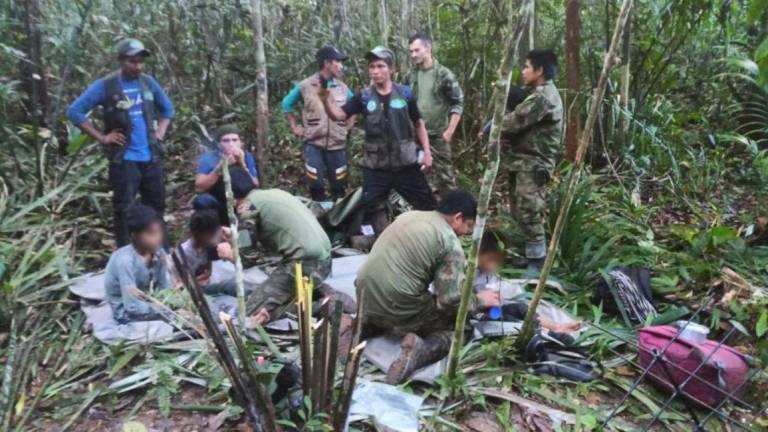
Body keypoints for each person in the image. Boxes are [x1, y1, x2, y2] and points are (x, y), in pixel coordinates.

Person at [355, 190, 501, 384]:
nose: (466, 232)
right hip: (398, 305)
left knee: (406, 297)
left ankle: (362, 325)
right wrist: (480, 300)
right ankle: (419, 352)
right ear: (457, 217)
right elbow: (449, 301)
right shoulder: (449, 242)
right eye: (468, 225)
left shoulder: (409, 216)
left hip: (364, 294)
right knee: (461, 330)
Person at [67, 38, 175, 247]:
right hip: (124, 159)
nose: (138, 66)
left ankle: (162, 253)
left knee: (156, 207)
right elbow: (74, 112)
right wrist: (101, 137)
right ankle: (127, 254)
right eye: (132, 62)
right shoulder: (106, 86)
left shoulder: (148, 83)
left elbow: (168, 110)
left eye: (141, 62)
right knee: (124, 209)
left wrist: (160, 132)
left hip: (151, 157)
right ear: (120, 60)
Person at [319, 46, 437, 234]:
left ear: (391, 69)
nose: (375, 71)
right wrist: (325, 98)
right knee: (371, 206)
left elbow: (418, 123)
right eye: (372, 67)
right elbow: (339, 115)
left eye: (380, 66)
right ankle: (383, 239)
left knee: (427, 204)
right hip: (376, 167)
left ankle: (431, 238)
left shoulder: (405, 93)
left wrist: (427, 152)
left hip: (405, 164)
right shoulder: (364, 97)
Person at [216, 170, 333, 325]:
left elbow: (248, 259)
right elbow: (271, 235)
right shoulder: (274, 194)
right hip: (325, 261)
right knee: (272, 294)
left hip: (304, 265)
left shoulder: (246, 207)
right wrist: (235, 236)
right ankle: (309, 295)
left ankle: (316, 307)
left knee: (251, 312)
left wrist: (229, 253)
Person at [501, 49, 563, 274]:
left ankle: (538, 260)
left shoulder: (543, 97)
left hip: (534, 163)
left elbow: (514, 122)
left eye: (527, 67)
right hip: (522, 161)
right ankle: (530, 254)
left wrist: (494, 124)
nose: (523, 71)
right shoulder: (535, 93)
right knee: (519, 208)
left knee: (529, 209)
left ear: (540, 71)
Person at [282, 46, 355, 201]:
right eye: (338, 62)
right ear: (327, 63)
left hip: (337, 144)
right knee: (315, 182)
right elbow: (287, 104)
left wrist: (348, 126)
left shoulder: (342, 87)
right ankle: (318, 213)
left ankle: (338, 216)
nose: (341, 66)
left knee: (339, 183)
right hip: (314, 142)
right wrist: (295, 127)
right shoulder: (306, 85)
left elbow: (354, 107)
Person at [473, 232, 581, 333]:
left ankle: (556, 327)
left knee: (521, 309)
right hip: (474, 314)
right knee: (508, 320)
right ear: (479, 253)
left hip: (491, 311)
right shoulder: (468, 273)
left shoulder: (488, 275)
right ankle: (544, 334)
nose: (493, 265)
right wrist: (479, 300)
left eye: (497, 260)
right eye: (491, 259)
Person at [407, 32, 464, 194]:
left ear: (428, 48)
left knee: (445, 179)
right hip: (415, 137)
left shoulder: (444, 74)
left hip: (438, 136)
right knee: (418, 179)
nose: (413, 55)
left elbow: (458, 102)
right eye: (411, 51)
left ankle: (452, 215)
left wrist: (450, 131)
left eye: (417, 50)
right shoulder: (411, 75)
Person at [104, 204, 170, 323]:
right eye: (151, 234)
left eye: (159, 232)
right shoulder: (125, 261)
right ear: (134, 235)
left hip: (151, 302)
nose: (158, 238)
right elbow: (132, 306)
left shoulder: (159, 252)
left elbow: (163, 285)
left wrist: (168, 301)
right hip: (126, 311)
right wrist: (160, 309)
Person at [194, 125, 259, 224]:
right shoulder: (209, 157)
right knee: (202, 201)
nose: (231, 144)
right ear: (219, 144)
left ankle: (248, 227)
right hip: (219, 200)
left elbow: (255, 184)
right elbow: (199, 188)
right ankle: (213, 232)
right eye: (226, 141)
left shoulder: (246, 156)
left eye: (234, 140)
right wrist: (220, 168)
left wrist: (242, 164)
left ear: (240, 143)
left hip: (242, 202)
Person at [176, 209, 239, 296]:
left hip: (205, 281)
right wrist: (197, 281)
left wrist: (232, 239)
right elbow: (180, 285)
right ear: (197, 233)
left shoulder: (209, 245)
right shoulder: (184, 253)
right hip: (195, 291)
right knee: (229, 286)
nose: (214, 236)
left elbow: (209, 272)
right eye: (210, 234)